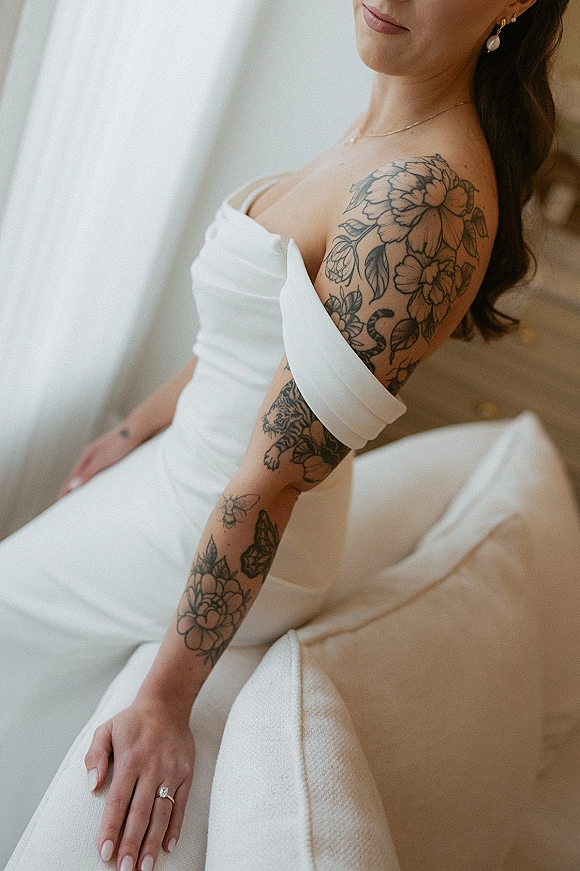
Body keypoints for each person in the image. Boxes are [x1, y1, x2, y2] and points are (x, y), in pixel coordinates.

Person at [0, 0, 569, 868]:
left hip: (218, 515)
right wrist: (135, 426)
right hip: (191, 473)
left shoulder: (423, 197)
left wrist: (164, 701)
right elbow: (259, 330)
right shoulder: (380, 127)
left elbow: (272, 479)